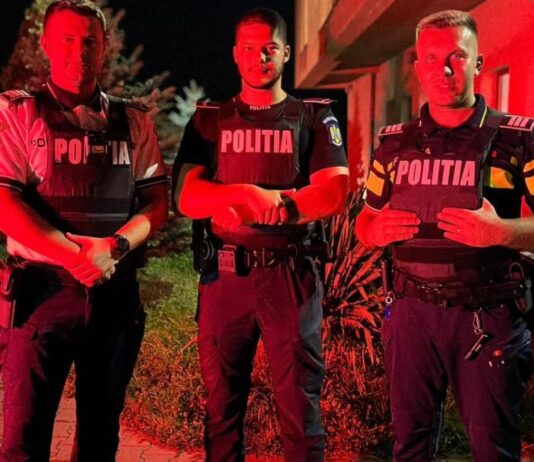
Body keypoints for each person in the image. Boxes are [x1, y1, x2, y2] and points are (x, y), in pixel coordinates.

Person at [356, 9, 534, 462]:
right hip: (410, 314)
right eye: (432, 59)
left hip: (486, 316)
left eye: (457, 56)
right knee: (409, 447)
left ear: (478, 63)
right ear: (418, 68)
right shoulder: (393, 145)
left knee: (494, 449)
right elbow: (364, 222)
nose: (445, 70)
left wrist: (503, 231)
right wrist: (375, 230)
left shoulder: (518, 140)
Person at [173, 8, 349, 462]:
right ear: (236, 54)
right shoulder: (210, 120)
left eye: (270, 48)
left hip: (290, 278)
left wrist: (282, 208)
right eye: (249, 49)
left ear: (286, 52)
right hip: (225, 277)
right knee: (221, 409)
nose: (260, 58)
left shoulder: (312, 116)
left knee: (300, 409)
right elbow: (187, 197)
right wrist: (246, 193)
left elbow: (334, 190)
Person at [0, 1, 168, 460]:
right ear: (46, 44)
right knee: (23, 440)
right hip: (40, 298)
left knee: (100, 438)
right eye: (67, 40)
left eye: (90, 41)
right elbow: (5, 205)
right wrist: (77, 256)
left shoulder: (134, 120)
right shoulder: (16, 113)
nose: (79, 51)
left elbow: (157, 204)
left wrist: (114, 247)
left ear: (105, 46)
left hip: (113, 296)